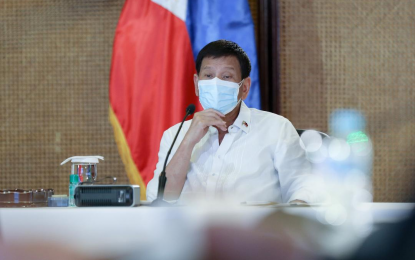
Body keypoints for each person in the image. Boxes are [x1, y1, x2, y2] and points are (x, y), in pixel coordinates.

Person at [147, 40, 322, 204]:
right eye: (208, 75)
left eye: (226, 77)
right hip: (190, 235)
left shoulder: (276, 129)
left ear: (244, 88)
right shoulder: (174, 135)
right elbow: (158, 199)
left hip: (255, 234)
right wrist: (188, 142)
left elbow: (302, 187)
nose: (215, 84)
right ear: (196, 84)